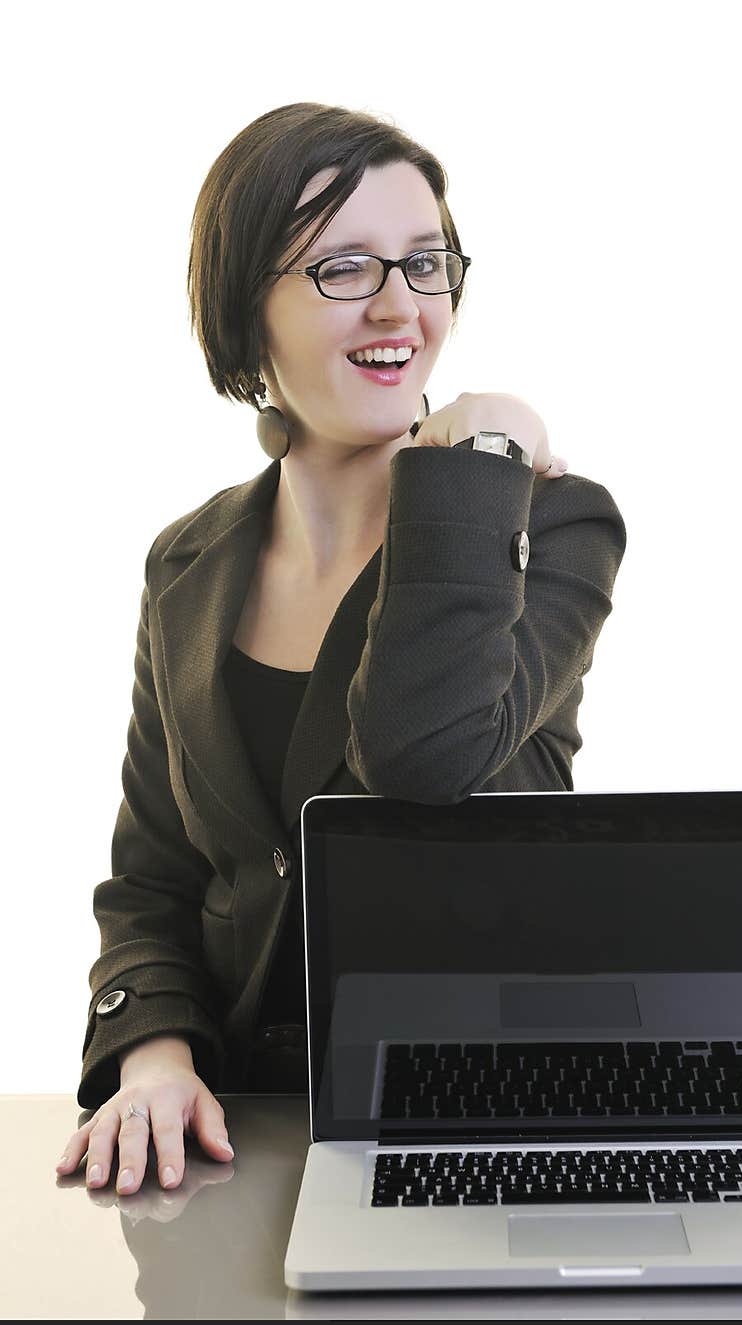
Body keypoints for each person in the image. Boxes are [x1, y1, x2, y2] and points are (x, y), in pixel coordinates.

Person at [56, 101, 627, 1197]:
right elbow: (152, 881)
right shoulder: (187, 563)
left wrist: (470, 468)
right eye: (343, 268)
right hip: (230, 1140)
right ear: (244, 308)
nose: (402, 306)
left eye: (426, 263)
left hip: (479, 1126)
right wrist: (156, 1055)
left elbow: (422, 756)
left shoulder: (545, 526)